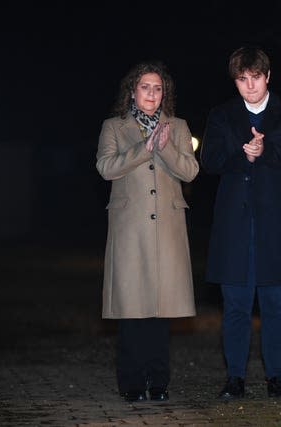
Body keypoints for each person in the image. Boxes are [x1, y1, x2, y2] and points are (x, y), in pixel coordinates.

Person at [200, 46, 281, 399]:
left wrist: (265, 153)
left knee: (276, 306)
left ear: (268, 76)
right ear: (235, 81)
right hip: (234, 225)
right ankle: (235, 377)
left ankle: (276, 376)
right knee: (235, 305)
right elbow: (209, 159)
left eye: (256, 78)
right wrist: (240, 154)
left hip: (276, 224)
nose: (250, 86)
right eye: (242, 79)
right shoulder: (221, 115)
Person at [96, 60, 199, 403]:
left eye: (158, 88)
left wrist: (165, 146)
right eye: (145, 87)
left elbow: (189, 172)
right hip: (130, 230)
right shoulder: (114, 126)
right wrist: (146, 148)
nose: (152, 93)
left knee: (159, 311)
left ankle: (158, 383)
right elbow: (106, 167)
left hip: (167, 230)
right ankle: (131, 383)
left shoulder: (179, 126)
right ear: (132, 91)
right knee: (131, 309)